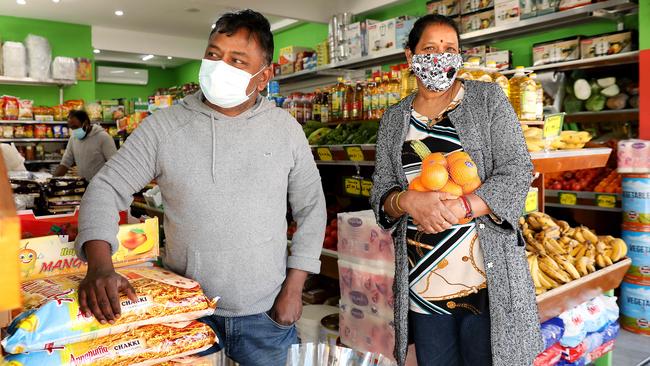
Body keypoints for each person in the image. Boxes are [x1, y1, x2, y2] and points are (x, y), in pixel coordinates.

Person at [74, 9, 326, 366]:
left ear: (264, 75)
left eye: (237, 61)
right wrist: (99, 266)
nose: (220, 66)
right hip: (184, 311)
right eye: (213, 55)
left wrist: (294, 288)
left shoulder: (285, 130)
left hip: (266, 313)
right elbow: (106, 188)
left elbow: (312, 209)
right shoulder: (164, 127)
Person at [369, 14, 544, 366]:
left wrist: (462, 207)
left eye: (450, 49)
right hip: (424, 286)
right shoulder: (394, 119)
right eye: (429, 48)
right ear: (410, 57)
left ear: (460, 56)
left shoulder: (486, 99)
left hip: (487, 282)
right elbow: (380, 195)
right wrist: (406, 200)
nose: (440, 56)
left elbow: (517, 170)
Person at [53, 110, 117, 180]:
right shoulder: (73, 138)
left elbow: (114, 165)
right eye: (71, 128)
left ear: (85, 123)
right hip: (84, 185)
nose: (74, 131)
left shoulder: (103, 137)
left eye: (76, 127)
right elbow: (65, 163)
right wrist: (53, 180)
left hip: (101, 186)